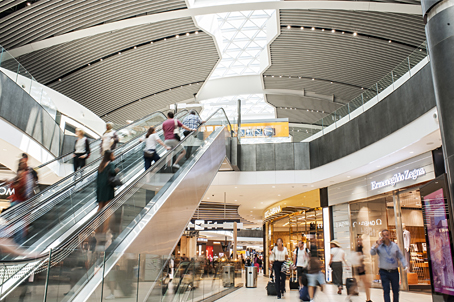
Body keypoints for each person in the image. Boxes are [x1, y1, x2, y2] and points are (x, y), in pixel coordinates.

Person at [371, 229, 407, 302]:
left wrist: (405, 264)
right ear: (382, 236)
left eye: (387, 235)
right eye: (384, 235)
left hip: (394, 271)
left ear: (389, 236)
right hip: (384, 272)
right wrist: (376, 245)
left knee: (396, 290)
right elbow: (372, 253)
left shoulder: (394, 246)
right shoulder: (379, 246)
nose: (386, 237)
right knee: (386, 290)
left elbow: (400, 256)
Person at [96, 150, 119, 235]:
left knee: (99, 208)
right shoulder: (111, 164)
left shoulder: (100, 165)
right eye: (113, 155)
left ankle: (97, 229)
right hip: (107, 187)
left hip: (100, 188)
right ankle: (105, 230)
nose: (114, 157)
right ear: (109, 156)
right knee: (107, 209)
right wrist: (116, 170)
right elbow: (113, 172)